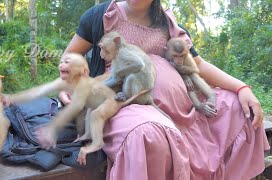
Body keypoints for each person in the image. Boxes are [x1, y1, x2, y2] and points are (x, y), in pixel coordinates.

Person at [58, 0, 270, 179]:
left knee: (237, 108)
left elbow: (199, 66)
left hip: (182, 108)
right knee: (147, 133)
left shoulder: (167, 23)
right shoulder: (100, 16)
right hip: (126, 103)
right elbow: (70, 60)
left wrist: (242, 88)